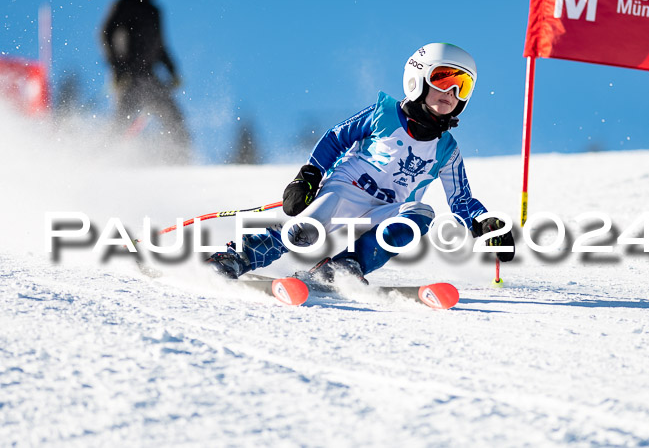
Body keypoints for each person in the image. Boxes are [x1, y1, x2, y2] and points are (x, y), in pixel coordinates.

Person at [209, 43, 515, 283]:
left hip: (388, 210)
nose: (452, 92)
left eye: (463, 85)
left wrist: (485, 225)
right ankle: (239, 258)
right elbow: (335, 138)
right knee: (305, 231)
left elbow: (460, 199)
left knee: (421, 214)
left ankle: (345, 267)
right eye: (443, 79)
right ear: (417, 78)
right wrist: (308, 176)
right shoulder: (383, 115)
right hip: (345, 192)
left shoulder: (446, 150)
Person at [101, 0, 191, 163]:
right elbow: (106, 33)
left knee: (173, 117)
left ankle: (180, 161)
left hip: (149, 76)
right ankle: (98, 159)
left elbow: (160, 46)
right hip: (128, 77)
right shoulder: (125, 3)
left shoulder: (154, 11)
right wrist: (117, 68)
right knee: (121, 122)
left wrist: (172, 71)